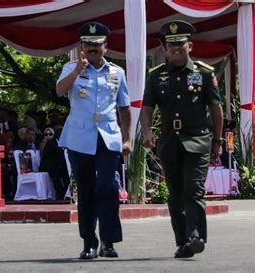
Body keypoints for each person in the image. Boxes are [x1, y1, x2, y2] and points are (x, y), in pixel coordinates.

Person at [140, 20, 223, 259]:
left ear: (190, 46)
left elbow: (216, 109)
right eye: (171, 45)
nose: (175, 49)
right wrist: (147, 133)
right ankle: (183, 241)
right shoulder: (157, 76)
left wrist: (217, 142)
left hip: (197, 140)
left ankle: (196, 235)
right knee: (175, 194)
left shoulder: (204, 73)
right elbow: (147, 108)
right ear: (165, 49)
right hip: (169, 142)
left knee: (193, 189)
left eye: (180, 44)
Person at [56, 21, 132, 259]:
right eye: (88, 45)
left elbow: (124, 107)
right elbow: (59, 91)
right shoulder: (71, 68)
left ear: (105, 48)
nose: (92, 49)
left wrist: (128, 139)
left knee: (108, 186)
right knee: (86, 189)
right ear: (81, 46)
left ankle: (108, 241)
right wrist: (78, 70)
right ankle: (89, 242)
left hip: (108, 137)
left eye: (97, 45)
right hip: (79, 137)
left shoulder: (117, 72)